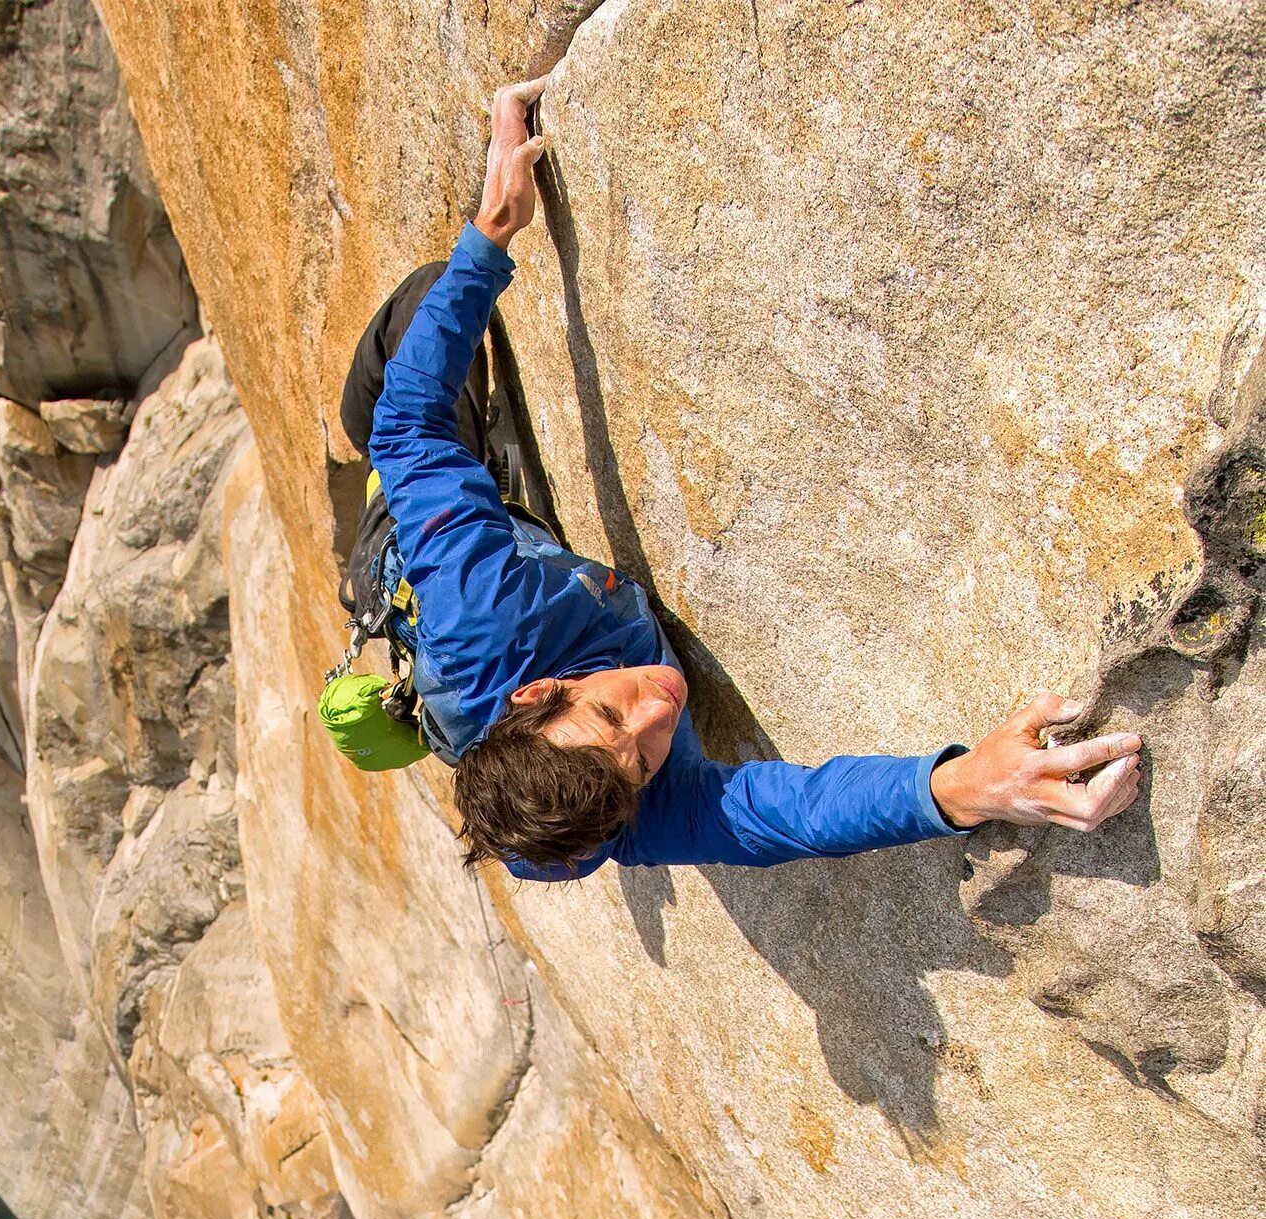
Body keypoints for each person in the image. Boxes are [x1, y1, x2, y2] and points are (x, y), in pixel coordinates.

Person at [355, 77, 1144, 881]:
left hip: (432, 569)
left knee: (422, 317)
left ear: (538, 694)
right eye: (644, 764)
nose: (659, 708)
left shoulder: (480, 609)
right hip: (520, 633)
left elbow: (408, 425)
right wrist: (960, 789)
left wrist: (494, 227)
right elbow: (782, 813)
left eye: (608, 713)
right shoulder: (600, 824)